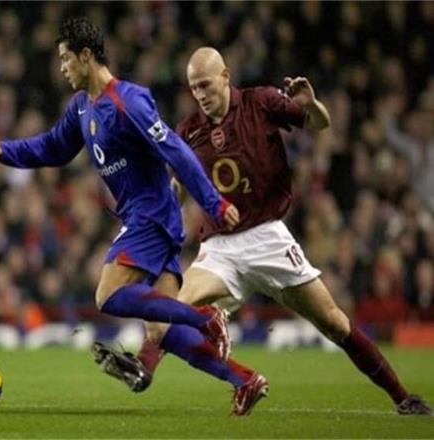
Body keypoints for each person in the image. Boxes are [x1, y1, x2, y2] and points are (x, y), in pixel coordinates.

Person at [95, 47, 432, 416]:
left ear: (225, 76)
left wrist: (312, 104)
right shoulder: (188, 131)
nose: (201, 94)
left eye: (206, 84)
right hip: (220, 247)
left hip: (268, 237)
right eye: (194, 88)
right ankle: (143, 368)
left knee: (335, 323)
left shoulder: (261, 101)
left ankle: (403, 397)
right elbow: (177, 184)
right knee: (167, 312)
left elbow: (319, 123)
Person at [0, 19, 269, 415]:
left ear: (86, 56)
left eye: (66, 58)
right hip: (151, 216)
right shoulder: (81, 107)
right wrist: (8, 151)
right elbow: (53, 148)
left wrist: (214, 203)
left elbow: (175, 150)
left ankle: (205, 317)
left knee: (108, 294)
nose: (62, 67)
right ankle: (245, 380)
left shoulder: (127, 102)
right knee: (160, 330)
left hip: (150, 214)